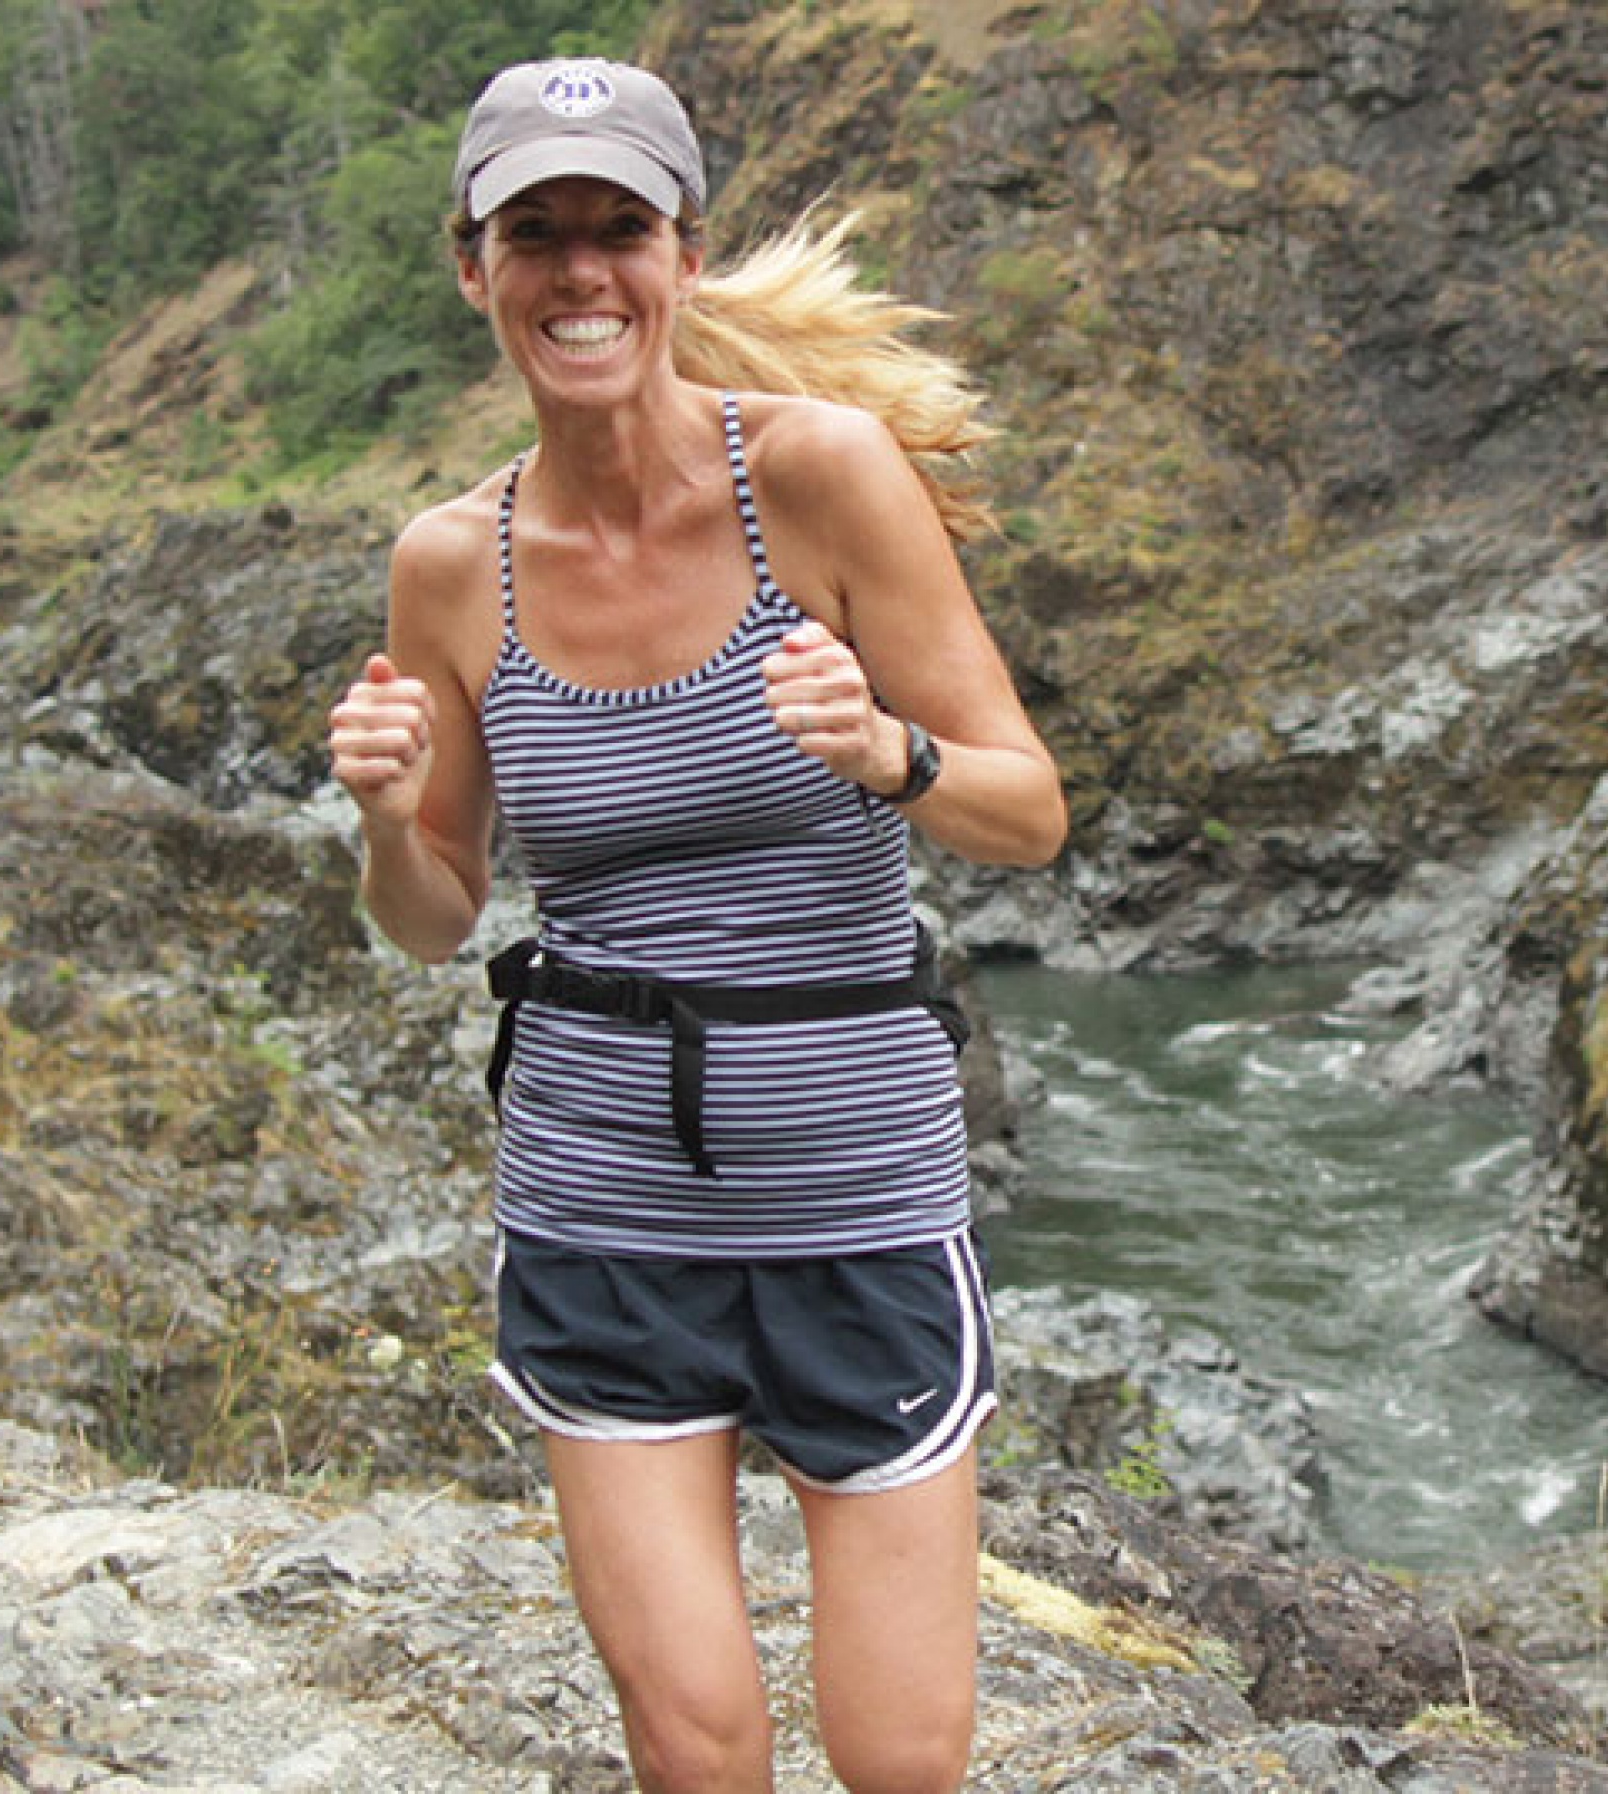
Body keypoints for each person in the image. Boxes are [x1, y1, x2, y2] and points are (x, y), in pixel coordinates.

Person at [322, 56, 1064, 1794]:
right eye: (535, 233)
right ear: (473, 266)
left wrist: (884, 751)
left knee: (899, 1760)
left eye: (618, 229)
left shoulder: (822, 477)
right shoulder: (451, 562)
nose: (580, 271)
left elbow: (1027, 810)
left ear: (684, 253)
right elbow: (433, 918)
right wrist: (380, 814)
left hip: (856, 1197)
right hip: (601, 1208)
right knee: (698, 1738)